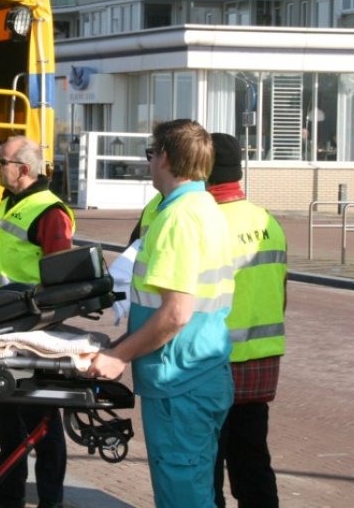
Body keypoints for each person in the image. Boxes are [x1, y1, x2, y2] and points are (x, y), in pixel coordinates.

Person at [88, 119, 235, 507]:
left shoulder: (177, 218)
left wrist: (118, 356)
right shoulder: (204, 208)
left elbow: (175, 314)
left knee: (181, 496)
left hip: (178, 379)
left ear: (165, 157)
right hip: (199, 372)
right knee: (195, 489)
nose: (150, 162)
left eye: (150, 154)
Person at [0, 135, 73, 508]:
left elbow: (60, 277)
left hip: (30, 334)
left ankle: (51, 500)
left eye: (1, 162)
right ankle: (8, 495)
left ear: (24, 169)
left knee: (42, 424)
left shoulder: (49, 212)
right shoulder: (11, 202)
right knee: (7, 420)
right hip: (0, 330)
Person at [207, 133, 287, 508]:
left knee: (207, 465)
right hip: (261, 363)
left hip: (213, 359)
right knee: (253, 461)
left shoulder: (205, 223)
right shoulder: (267, 220)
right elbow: (281, 291)